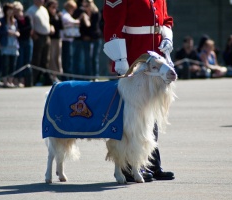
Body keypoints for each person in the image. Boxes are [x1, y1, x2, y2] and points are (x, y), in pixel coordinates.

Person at [103, 0, 175, 182]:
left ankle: (150, 163)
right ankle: (128, 166)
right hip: (133, 59)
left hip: (155, 61)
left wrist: (167, 37)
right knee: (131, 119)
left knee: (150, 114)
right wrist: (120, 57)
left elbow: (165, 20)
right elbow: (113, 23)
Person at [26, 0, 53, 86]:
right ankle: (33, 80)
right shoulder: (31, 10)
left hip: (46, 36)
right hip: (38, 37)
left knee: (45, 60)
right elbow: (30, 24)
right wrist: (34, 35)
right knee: (36, 60)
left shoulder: (44, 9)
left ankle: (46, 80)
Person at [0, 3, 20, 88]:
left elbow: (17, 30)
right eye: (8, 10)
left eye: (11, 10)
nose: (10, 12)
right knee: (5, 64)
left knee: (12, 65)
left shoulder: (15, 21)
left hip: (14, 45)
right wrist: (7, 32)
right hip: (5, 45)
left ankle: (11, 81)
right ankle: (5, 81)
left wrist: (17, 33)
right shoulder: (2, 21)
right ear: (5, 11)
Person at [81, 0, 102, 79]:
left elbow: (94, 27)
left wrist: (87, 20)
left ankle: (95, 76)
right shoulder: (83, 14)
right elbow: (82, 28)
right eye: (84, 6)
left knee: (94, 58)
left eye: (87, 6)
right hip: (86, 39)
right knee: (87, 58)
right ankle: (88, 76)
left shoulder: (96, 13)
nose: (86, 8)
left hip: (95, 38)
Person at [60, 0, 81, 81]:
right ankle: (66, 77)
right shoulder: (65, 14)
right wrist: (78, 20)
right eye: (73, 8)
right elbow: (67, 20)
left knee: (69, 60)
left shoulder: (67, 14)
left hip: (69, 40)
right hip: (65, 40)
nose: (73, 10)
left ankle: (68, 76)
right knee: (67, 60)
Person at [13, 1, 33, 87]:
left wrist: (20, 31)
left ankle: (28, 81)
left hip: (28, 41)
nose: (18, 12)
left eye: (19, 10)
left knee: (27, 62)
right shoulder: (14, 19)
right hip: (19, 42)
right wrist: (21, 31)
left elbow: (30, 28)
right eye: (16, 10)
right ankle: (20, 80)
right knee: (20, 61)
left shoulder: (27, 17)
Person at [72, 0, 91, 79]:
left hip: (81, 38)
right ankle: (79, 76)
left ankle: (81, 76)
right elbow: (88, 24)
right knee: (79, 59)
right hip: (78, 38)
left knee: (80, 59)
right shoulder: (81, 11)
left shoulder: (80, 11)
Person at [45, 0, 63, 83]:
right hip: (51, 39)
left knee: (57, 57)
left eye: (55, 7)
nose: (54, 9)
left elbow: (61, 27)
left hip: (58, 38)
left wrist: (60, 17)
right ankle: (52, 75)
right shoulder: (47, 15)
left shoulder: (58, 15)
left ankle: (57, 75)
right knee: (51, 57)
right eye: (52, 7)